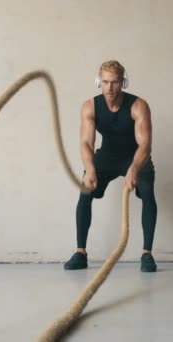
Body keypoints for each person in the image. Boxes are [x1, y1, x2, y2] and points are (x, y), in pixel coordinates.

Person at [64, 60, 158, 272]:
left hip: (135, 157)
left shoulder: (138, 105)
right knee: (85, 191)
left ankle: (147, 254)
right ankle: (80, 252)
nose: (109, 88)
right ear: (98, 81)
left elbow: (145, 144)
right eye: (105, 82)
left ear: (123, 82)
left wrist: (134, 169)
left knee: (147, 192)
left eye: (114, 82)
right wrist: (89, 169)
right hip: (106, 156)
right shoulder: (90, 106)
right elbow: (86, 143)